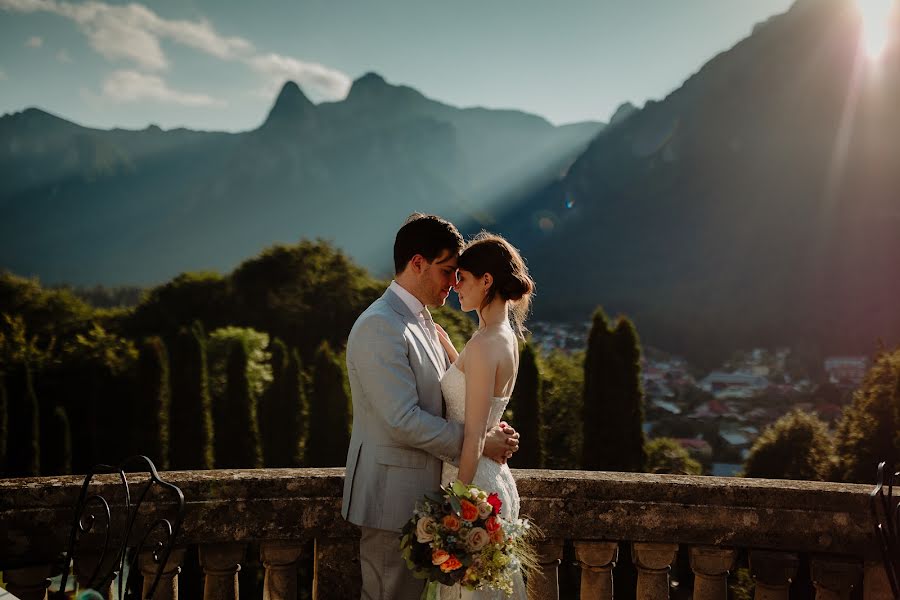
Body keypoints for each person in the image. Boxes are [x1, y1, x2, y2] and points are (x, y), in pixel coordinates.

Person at [341, 214, 520, 600]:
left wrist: (489, 426)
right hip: (393, 499)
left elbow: (452, 395)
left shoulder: (422, 320)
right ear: (417, 263)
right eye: (447, 271)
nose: (453, 283)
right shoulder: (380, 325)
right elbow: (402, 420)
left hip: (430, 495)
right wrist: (479, 441)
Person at [434, 231, 534, 600]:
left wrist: (455, 506)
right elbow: (479, 398)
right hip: (495, 481)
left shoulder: (485, 344)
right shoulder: (504, 336)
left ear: (486, 281)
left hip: (474, 488)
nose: (455, 286)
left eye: (462, 278)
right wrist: (450, 350)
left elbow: (475, 434)